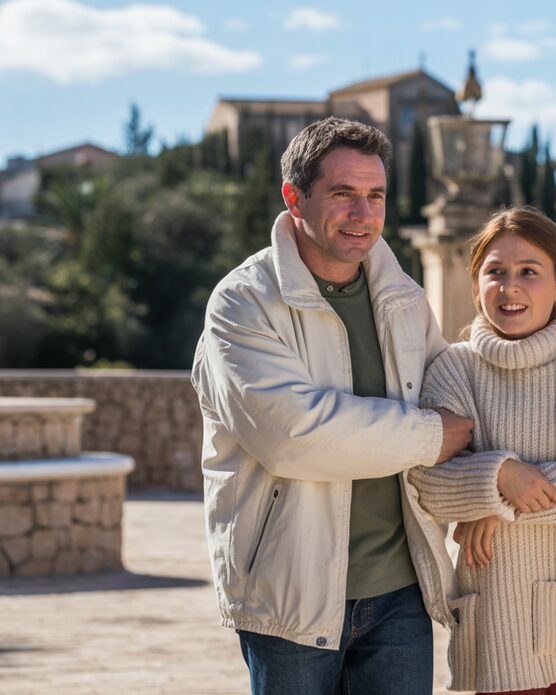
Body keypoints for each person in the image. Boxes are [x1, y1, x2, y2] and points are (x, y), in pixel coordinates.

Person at [191, 116, 474, 694]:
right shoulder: (243, 303)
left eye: (375, 196)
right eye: (342, 194)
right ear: (294, 198)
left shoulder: (404, 298)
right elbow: (294, 437)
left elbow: (457, 397)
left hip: (400, 594)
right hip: (292, 594)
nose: (362, 214)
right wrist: (429, 436)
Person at [407, 207, 556, 695]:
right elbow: (426, 484)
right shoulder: (453, 369)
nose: (510, 286)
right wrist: (500, 477)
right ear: (476, 286)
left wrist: (495, 505)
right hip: (497, 612)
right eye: (495, 272)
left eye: (529, 272)